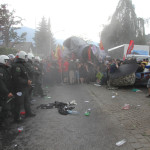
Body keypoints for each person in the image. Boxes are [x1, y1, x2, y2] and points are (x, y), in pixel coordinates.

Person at [11, 51, 35, 123]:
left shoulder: (22, 65)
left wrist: (28, 81)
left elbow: (24, 75)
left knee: (26, 100)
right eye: (25, 57)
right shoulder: (17, 66)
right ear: (22, 57)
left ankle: (28, 113)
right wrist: (26, 81)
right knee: (18, 103)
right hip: (19, 88)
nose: (26, 58)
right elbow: (17, 78)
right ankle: (17, 118)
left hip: (24, 87)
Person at [0, 55, 14, 124]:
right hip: (3, 93)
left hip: (5, 92)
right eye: (7, 61)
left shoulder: (5, 69)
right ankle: (2, 122)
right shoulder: (1, 70)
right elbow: (1, 83)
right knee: (5, 107)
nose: (8, 62)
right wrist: (7, 92)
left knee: (6, 107)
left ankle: (4, 119)